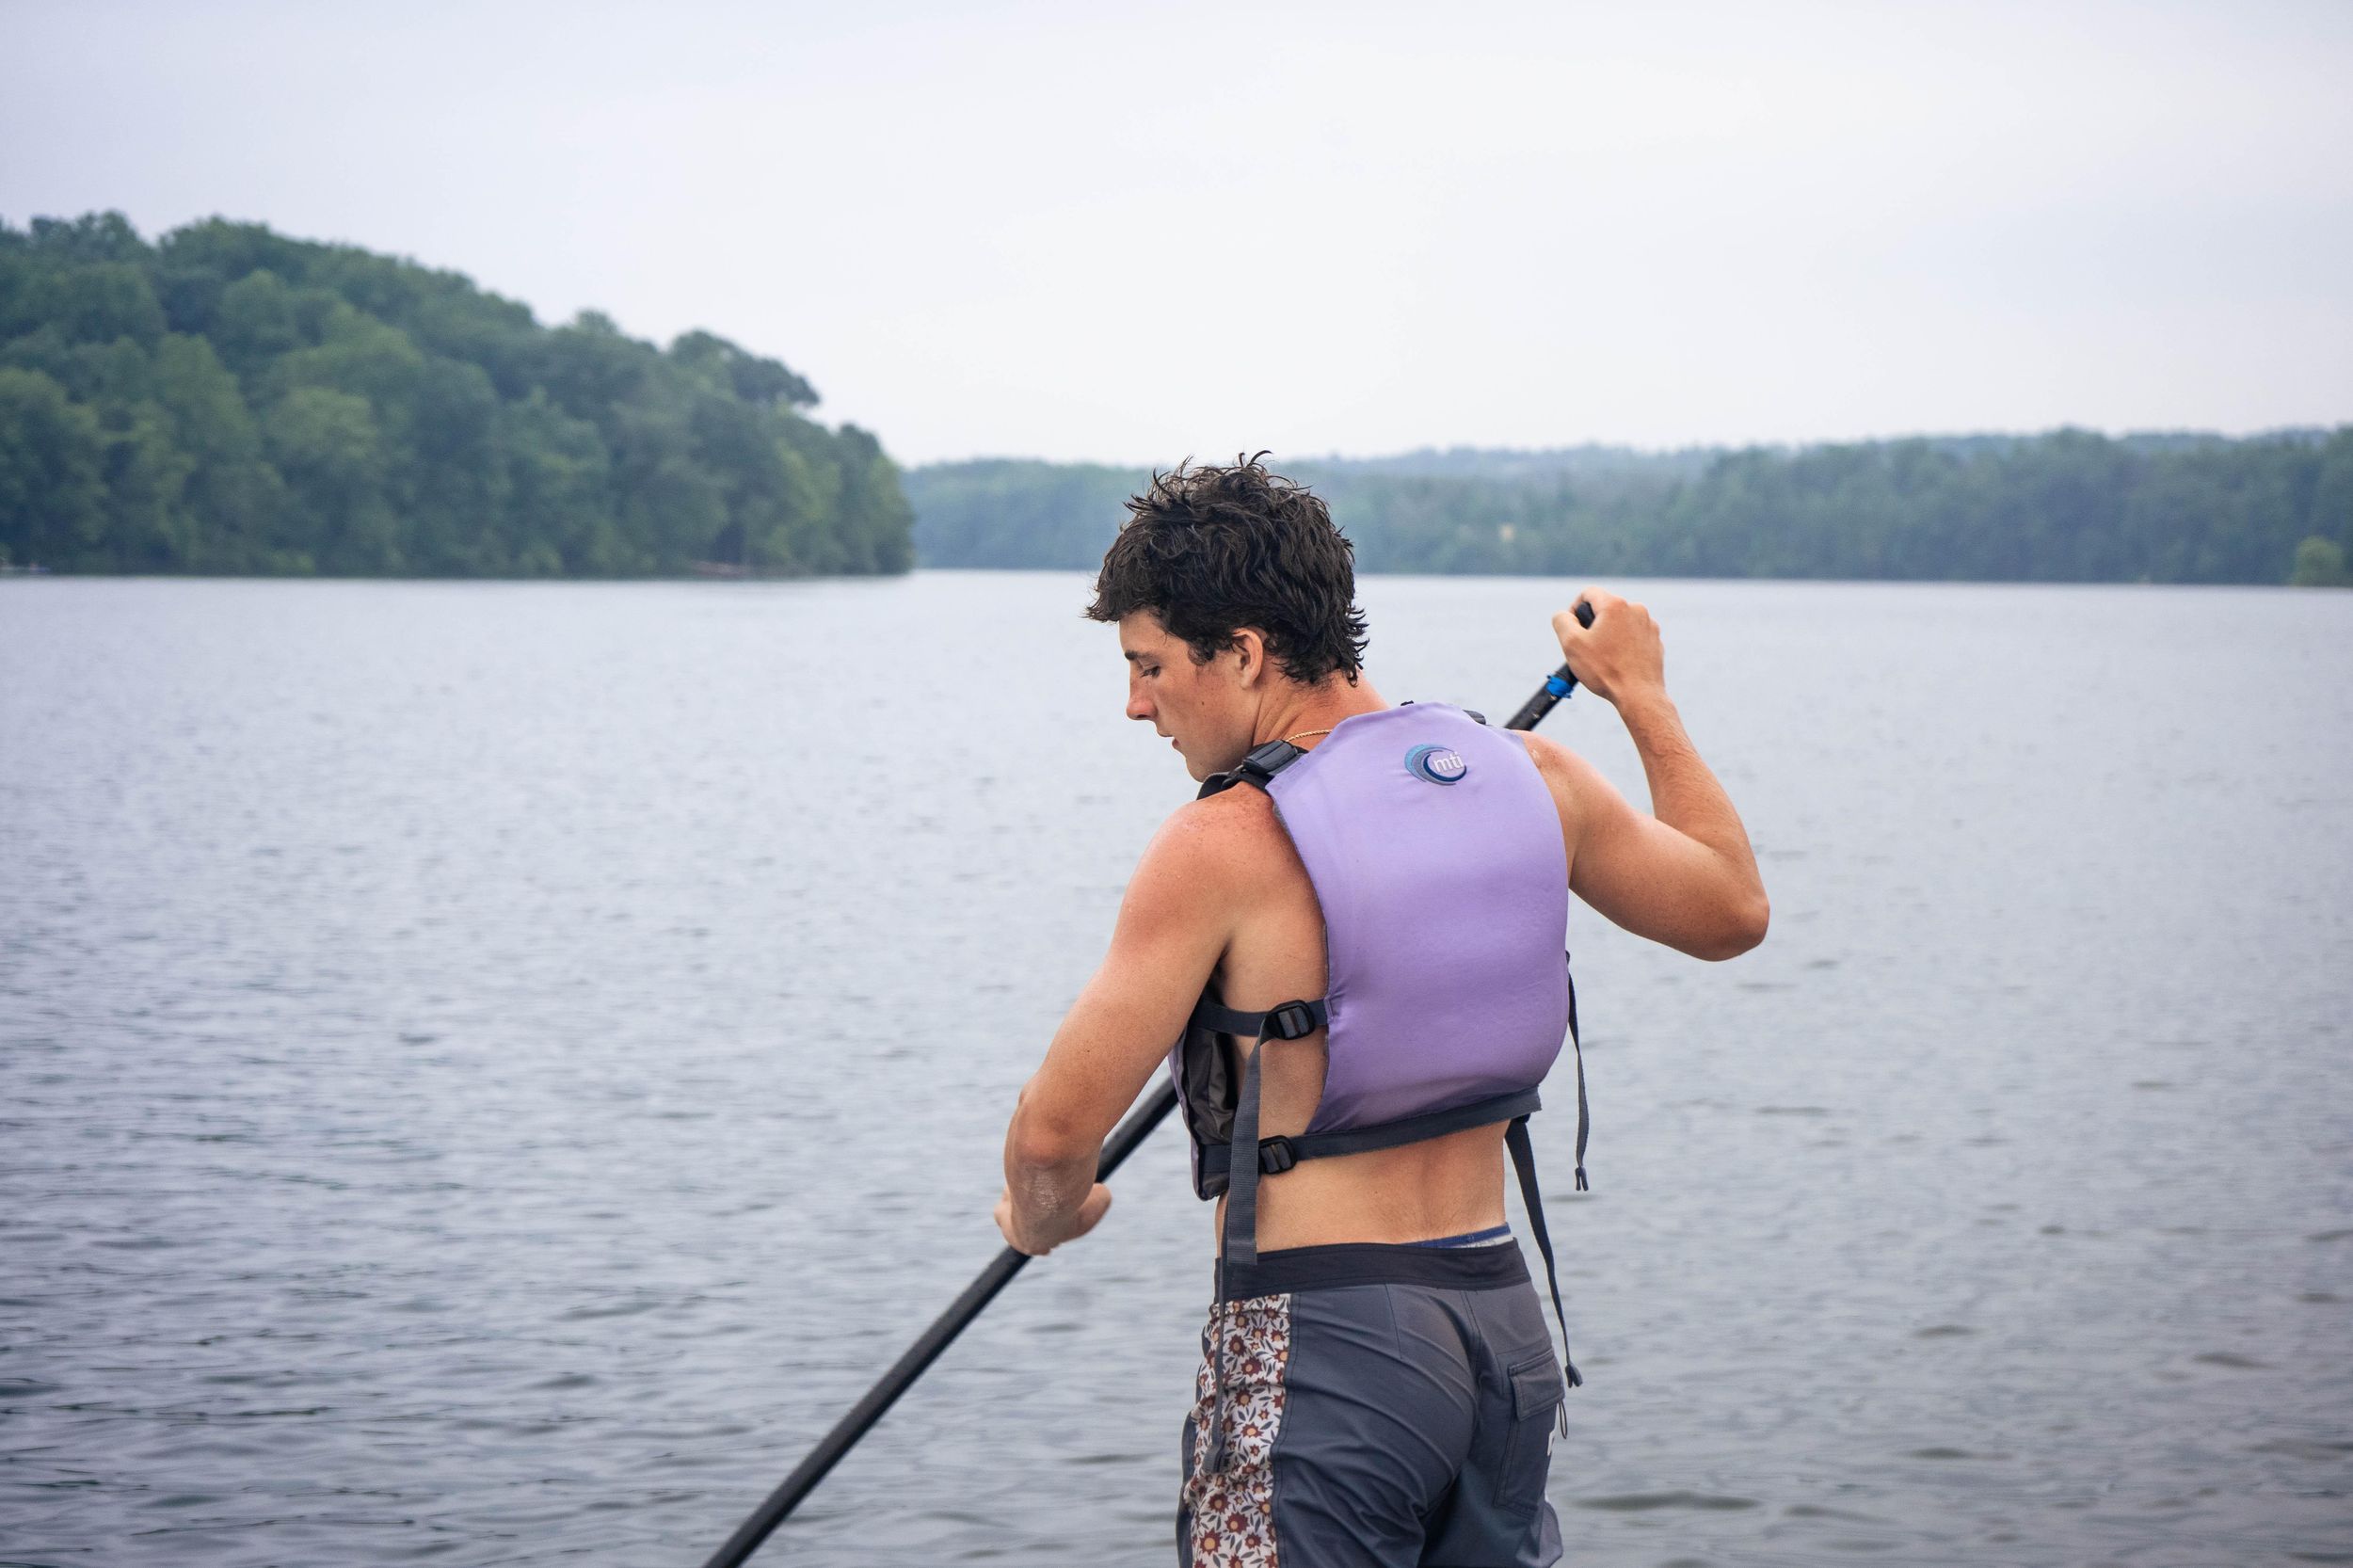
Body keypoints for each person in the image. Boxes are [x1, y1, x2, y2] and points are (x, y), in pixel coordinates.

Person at [994, 456, 1768, 1567]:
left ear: (1247, 653)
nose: (1135, 703)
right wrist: (1639, 694)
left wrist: (1041, 1214)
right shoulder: (1529, 776)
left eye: (1149, 664)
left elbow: (1055, 1133)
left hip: (1322, 1351)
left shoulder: (1221, 842)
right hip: (1502, 1340)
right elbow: (1731, 908)